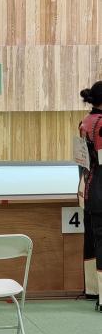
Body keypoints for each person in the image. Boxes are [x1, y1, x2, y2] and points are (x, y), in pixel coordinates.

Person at [78, 81, 102, 313]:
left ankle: (93, 290)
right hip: (100, 187)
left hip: (87, 184)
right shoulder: (101, 123)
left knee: (92, 239)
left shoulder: (86, 121)